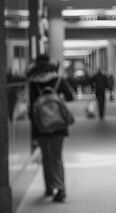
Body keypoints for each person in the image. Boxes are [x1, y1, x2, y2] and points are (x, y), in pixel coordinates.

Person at [27, 54, 74, 202]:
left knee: (46, 157)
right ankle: (60, 189)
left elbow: (31, 106)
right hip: (58, 124)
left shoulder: (33, 82)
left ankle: (49, 187)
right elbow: (70, 96)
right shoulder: (58, 79)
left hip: (40, 125)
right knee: (56, 157)